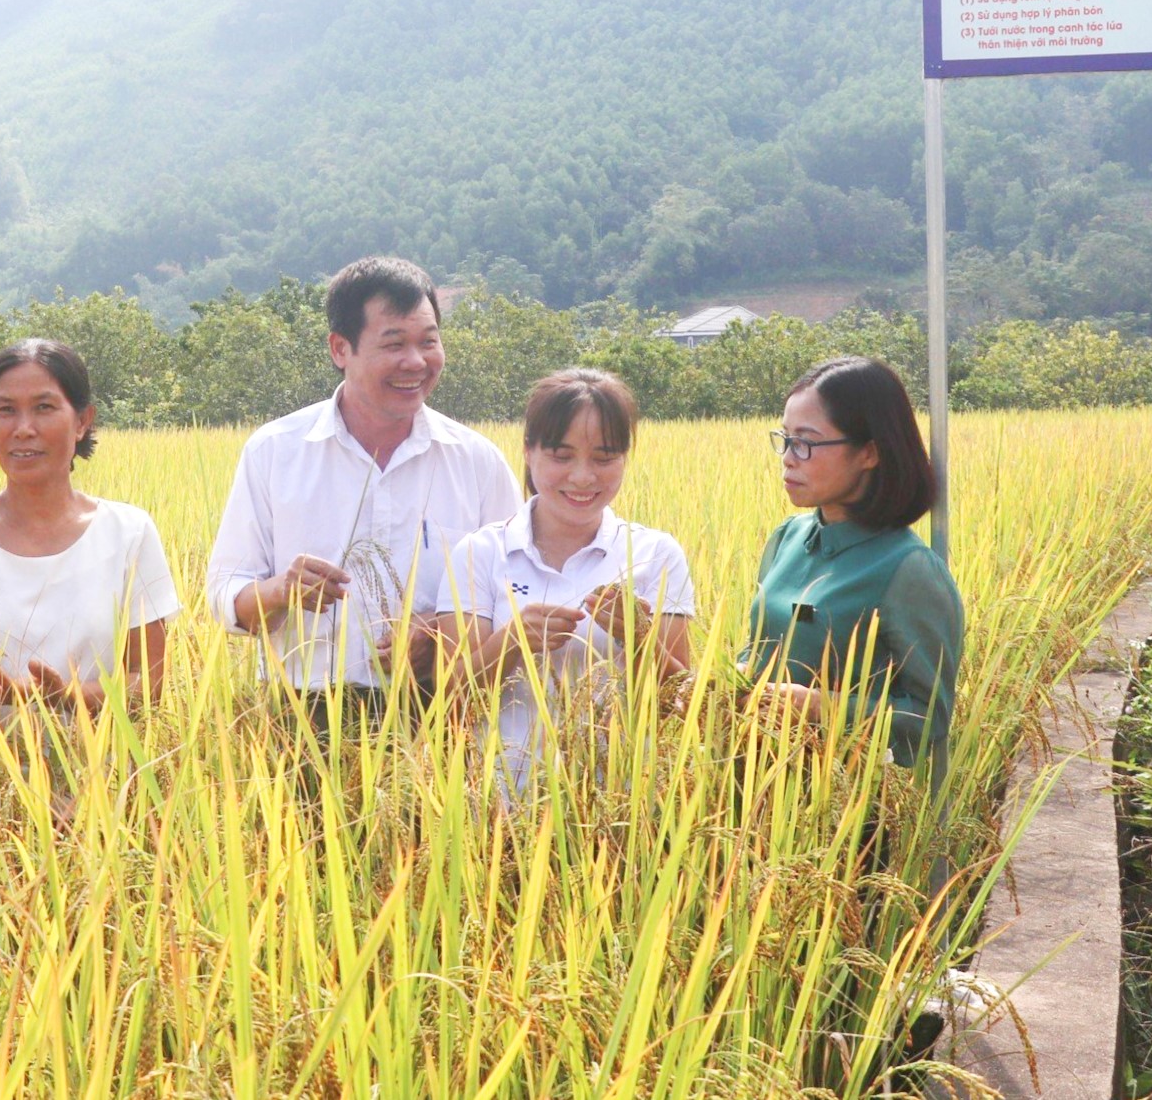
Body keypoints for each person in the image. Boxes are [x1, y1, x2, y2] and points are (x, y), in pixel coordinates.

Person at [206, 256, 521, 728]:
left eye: (428, 342)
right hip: (301, 720)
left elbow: (517, 593)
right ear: (340, 349)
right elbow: (224, 595)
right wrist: (279, 592)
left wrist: (439, 634)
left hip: (440, 716)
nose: (415, 362)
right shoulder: (275, 451)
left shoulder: (477, 462)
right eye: (393, 344)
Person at [435, 368, 695, 791]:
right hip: (502, 808)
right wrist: (513, 640)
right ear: (528, 452)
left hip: (620, 809)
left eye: (604, 458)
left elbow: (681, 701)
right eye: (561, 456)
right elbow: (449, 699)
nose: (582, 477)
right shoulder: (479, 553)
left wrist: (639, 635)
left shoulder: (655, 555)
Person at [0, 339, 178, 714]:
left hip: (102, 770)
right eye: (5, 410)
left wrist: (65, 696)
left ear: (83, 421)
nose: (23, 429)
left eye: (44, 408)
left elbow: (149, 686)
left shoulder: (128, 533)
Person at [744, 356, 963, 786]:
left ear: (869, 452)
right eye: (785, 438)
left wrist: (823, 706)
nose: (789, 458)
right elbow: (756, 655)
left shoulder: (907, 568)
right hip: (752, 783)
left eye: (806, 442)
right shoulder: (787, 538)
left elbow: (929, 717)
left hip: (844, 810)